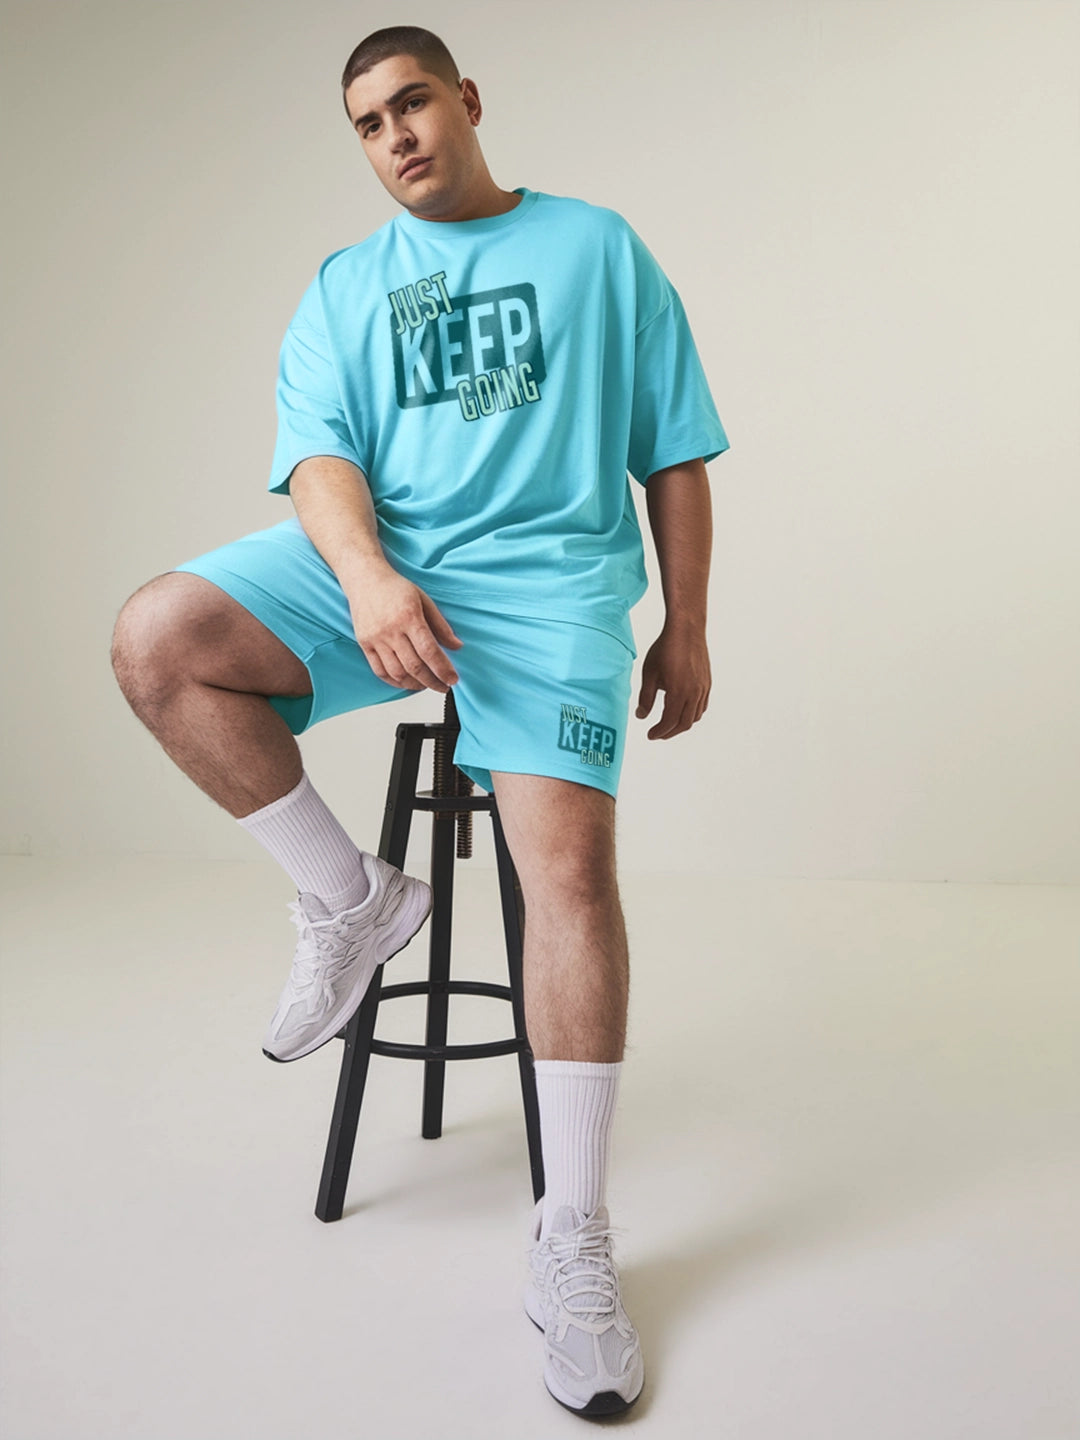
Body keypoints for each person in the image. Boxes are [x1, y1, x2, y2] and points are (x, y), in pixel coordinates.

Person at [110, 24, 729, 1418]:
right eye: (368, 123)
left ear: (468, 100)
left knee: (566, 874)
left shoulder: (595, 248)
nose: (395, 136)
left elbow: (677, 450)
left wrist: (687, 622)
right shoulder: (347, 285)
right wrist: (370, 577)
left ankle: (573, 1240)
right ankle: (352, 900)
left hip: (549, 593)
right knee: (158, 638)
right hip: (387, 574)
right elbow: (320, 461)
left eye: (413, 104)